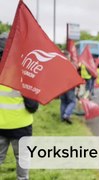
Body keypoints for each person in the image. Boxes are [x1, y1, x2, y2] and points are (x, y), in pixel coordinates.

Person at [0, 32, 39, 179]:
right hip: (21, 126)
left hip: (0, 125)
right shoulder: (25, 72)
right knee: (22, 162)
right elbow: (32, 106)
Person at [59, 51, 77, 124]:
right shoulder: (71, 65)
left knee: (63, 102)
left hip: (61, 87)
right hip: (70, 87)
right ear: (68, 57)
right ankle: (66, 115)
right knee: (72, 101)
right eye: (69, 57)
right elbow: (74, 77)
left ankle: (62, 117)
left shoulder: (59, 65)